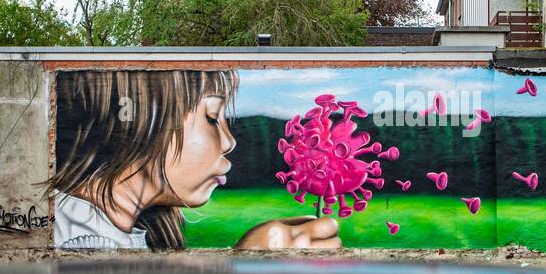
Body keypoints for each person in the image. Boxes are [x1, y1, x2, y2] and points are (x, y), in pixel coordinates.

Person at [47, 69, 338, 251]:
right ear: (144, 124)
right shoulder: (88, 244)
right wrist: (244, 266)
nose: (229, 141)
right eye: (212, 117)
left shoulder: (103, 229)